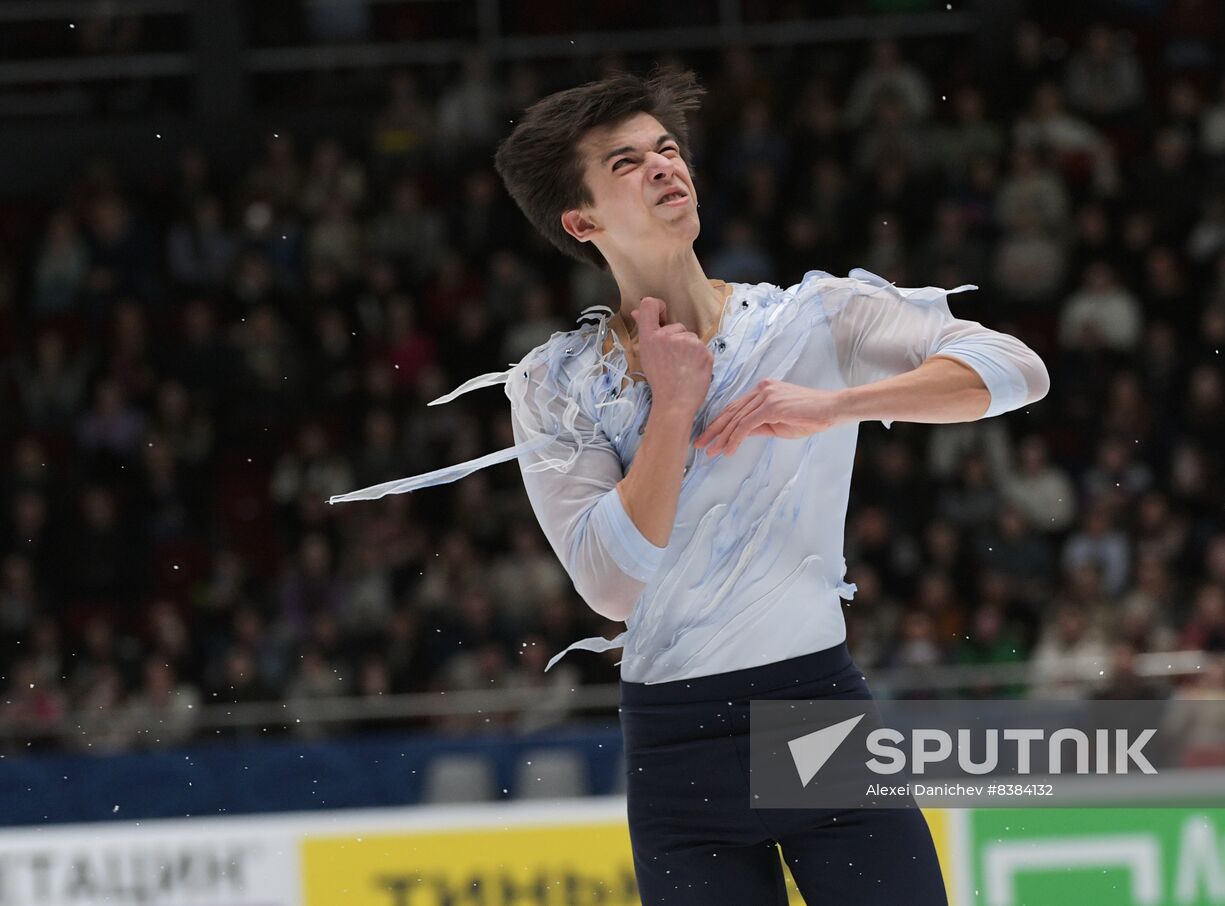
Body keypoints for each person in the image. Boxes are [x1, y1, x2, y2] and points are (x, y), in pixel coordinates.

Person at [329, 68, 1050, 905]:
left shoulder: (812, 321)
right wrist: (672, 407)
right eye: (628, 162)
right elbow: (611, 583)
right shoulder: (555, 387)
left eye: (668, 148)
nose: (665, 165)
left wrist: (836, 404)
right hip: (679, 751)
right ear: (581, 219)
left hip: (816, 714)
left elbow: (1017, 371)